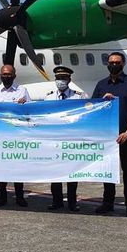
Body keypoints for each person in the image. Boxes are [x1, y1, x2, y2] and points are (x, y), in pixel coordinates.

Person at [91, 52, 127, 217]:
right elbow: (93, 107)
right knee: (107, 171)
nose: (114, 65)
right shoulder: (101, 85)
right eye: (111, 62)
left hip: (125, 135)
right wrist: (103, 100)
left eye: (117, 62)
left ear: (123, 64)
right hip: (108, 137)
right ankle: (108, 202)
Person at [0, 64, 30, 207]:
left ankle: (20, 196)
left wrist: (25, 103)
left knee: (17, 167)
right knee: (1, 167)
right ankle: (2, 196)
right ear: (0, 75)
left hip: (17, 135)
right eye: (4, 74)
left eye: (9, 74)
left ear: (14, 75)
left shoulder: (22, 90)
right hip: (0, 135)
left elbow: (30, 110)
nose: (6, 76)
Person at [44, 66, 87, 212]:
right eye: (58, 78)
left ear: (69, 80)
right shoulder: (48, 97)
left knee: (72, 173)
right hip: (54, 140)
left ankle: (72, 202)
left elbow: (84, 115)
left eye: (63, 78)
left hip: (71, 140)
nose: (60, 81)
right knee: (54, 173)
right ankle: (56, 201)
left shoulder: (78, 97)